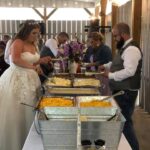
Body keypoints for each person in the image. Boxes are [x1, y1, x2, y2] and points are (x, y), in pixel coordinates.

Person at [0, 20, 51, 150]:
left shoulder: (34, 44)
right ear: (25, 32)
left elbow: (31, 60)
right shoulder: (17, 42)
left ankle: (30, 143)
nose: (36, 36)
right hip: (17, 79)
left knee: (31, 108)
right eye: (33, 33)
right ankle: (16, 143)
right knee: (18, 111)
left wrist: (40, 61)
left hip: (32, 80)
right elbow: (16, 59)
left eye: (38, 33)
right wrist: (32, 67)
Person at [99, 22, 142, 150]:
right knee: (122, 122)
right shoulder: (125, 47)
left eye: (116, 36)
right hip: (122, 91)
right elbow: (118, 62)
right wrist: (107, 66)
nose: (115, 39)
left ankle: (134, 147)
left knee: (125, 123)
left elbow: (129, 71)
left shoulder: (132, 49)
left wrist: (110, 75)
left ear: (123, 34)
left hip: (126, 92)